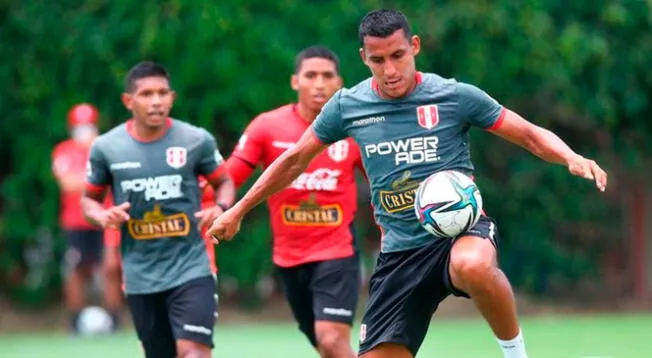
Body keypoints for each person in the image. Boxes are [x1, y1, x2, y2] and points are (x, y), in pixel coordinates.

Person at [207, 9, 608, 358]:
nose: (391, 70)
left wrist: (571, 156)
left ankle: (516, 355)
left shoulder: (454, 96)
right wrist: (239, 210)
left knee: (472, 265)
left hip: (461, 233)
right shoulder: (348, 106)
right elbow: (294, 160)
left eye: (398, 55)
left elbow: (529, 135)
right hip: (400, 254)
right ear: (364, 58)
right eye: (378, 60)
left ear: (414, 45)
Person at [81, 61, 235, 358]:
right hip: (140, 277)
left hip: (192, 269)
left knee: (194, 352)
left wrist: (221, 207)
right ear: (129, 101)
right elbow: (89, 199)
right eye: (147, 94)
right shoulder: (106, 148)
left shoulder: (196, 140)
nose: (156, 101)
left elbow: (224, 181)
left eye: (162, 93)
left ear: (172, 98)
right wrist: (101, 216)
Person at [223, 46, 364, 358]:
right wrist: (214, 206)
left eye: (327, 76)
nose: (319, 83)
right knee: (325, 346)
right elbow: (228, 176)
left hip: (338, 252)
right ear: (294, 81)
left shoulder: (354, 129)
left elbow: (382, 185)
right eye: (310, 75)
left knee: (331, 340)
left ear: (339, 82)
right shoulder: (267, 126)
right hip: (289, 258)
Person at [51, 103, 122, 333]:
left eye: (88, 124)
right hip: (75, 222)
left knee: (111, 267)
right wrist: (97, 180)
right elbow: (67, 183)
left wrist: (89, 180)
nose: (85, 129)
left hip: (105, 218)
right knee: (76, 269)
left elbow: (115, 179)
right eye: (80, 125)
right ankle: (74, 321)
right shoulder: (63, 150)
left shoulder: (105, 149)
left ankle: (114, 320)